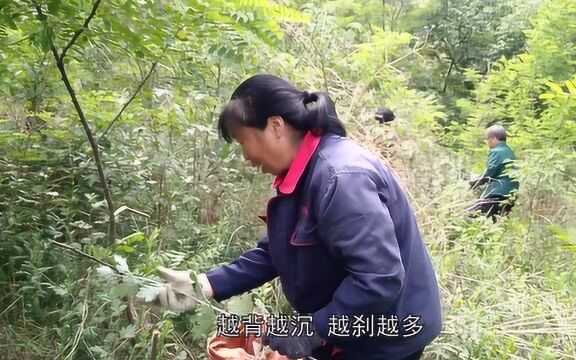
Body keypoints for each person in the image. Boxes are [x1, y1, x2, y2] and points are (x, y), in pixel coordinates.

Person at [151, 74, 442, 360]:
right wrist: (206, 284)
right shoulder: (303, 172)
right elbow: (277, 250)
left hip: (383, 337)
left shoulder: (340, 178)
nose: (246, 156)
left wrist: (312, 331)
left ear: (275, 126)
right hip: (351, 325)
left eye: (243, 142)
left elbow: (379, 278)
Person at [468, 124, 519, 223]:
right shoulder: (509, 151)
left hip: (498, 192)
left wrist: (475, 181)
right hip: (511, 193)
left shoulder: (496, 151)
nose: (488, 143)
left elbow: (490, 171)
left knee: (473, 215)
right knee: (498, 221)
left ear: (493, 139)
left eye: (488, 139)